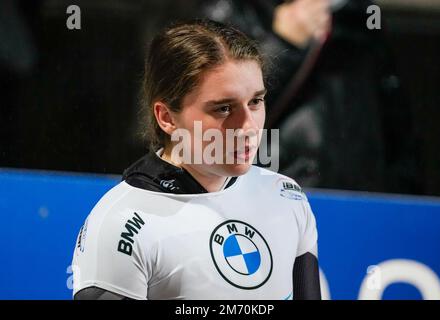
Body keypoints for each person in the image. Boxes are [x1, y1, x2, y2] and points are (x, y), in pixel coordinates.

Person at [71, 19, 320, 300]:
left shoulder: (286, 198)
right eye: (224, 108)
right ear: (166, 117)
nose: (248, 126)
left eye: (255, 102)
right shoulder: (121, 227)